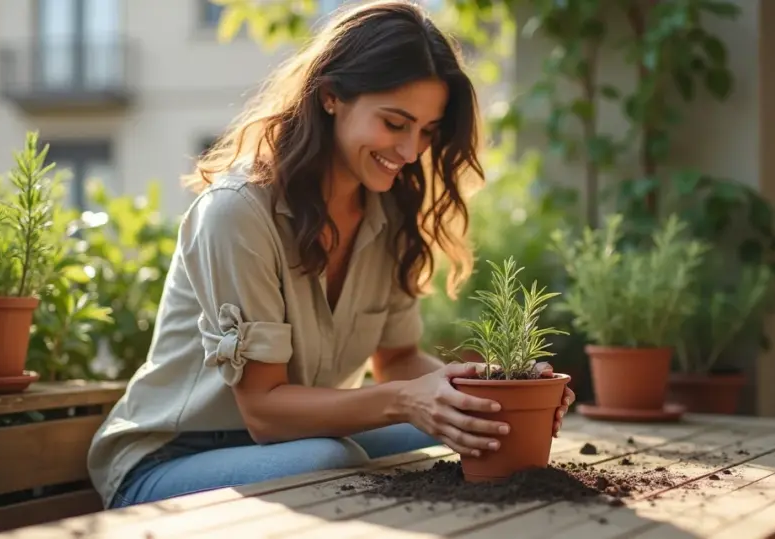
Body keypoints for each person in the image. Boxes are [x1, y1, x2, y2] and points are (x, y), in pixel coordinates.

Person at [87, 0, 574, 509]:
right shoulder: (239, 212)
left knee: (478, 429)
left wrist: (498, 394)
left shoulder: (390, 214)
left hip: (297, 444)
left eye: (427, 131)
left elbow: (398, 360)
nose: (411, 151)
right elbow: (264, 411)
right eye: (395, 123)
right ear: (330, 97)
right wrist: (407, 401)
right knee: (332, 459)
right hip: (169, 460)